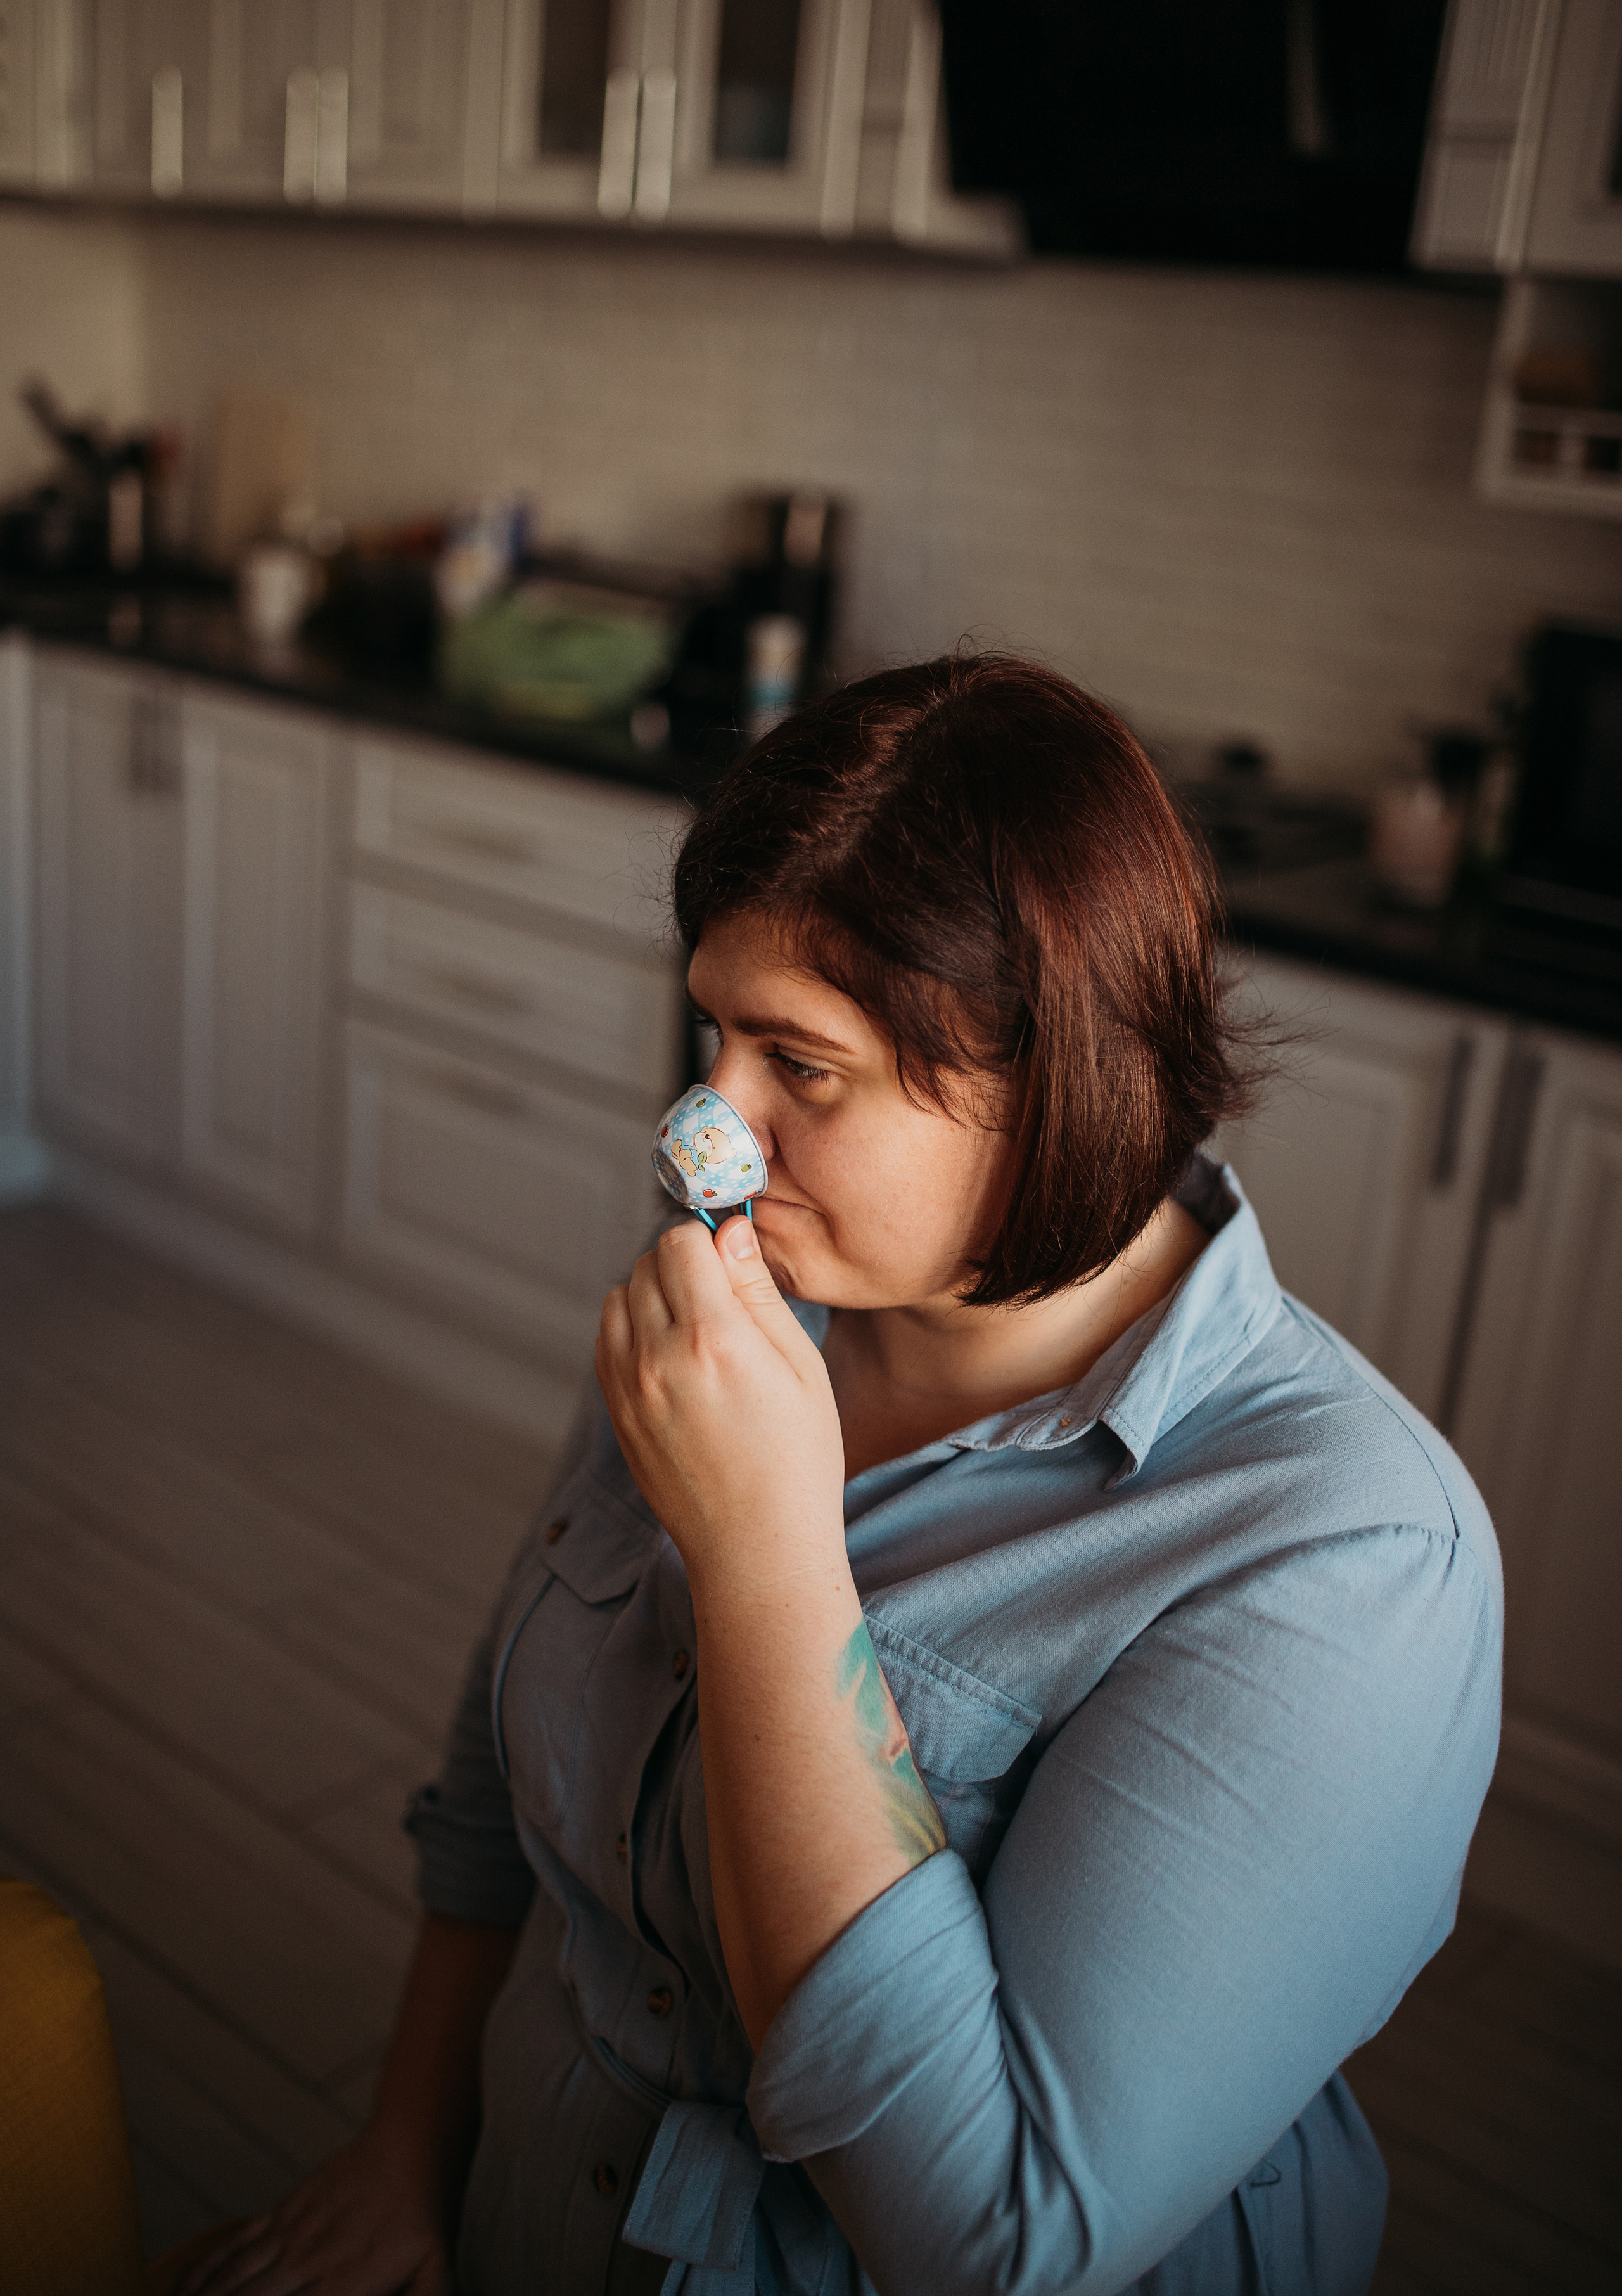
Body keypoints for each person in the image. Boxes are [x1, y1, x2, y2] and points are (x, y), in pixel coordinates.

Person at [185, 655, 1502, 2296]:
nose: (700, 1130)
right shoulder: (752, 1276)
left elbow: (987, 2237)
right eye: (712, 1033)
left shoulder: (1350, 1556)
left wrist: (764, 1557)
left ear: (1057, 1074)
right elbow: (494, 1783)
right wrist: (410, 2147)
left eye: (796, 1066)